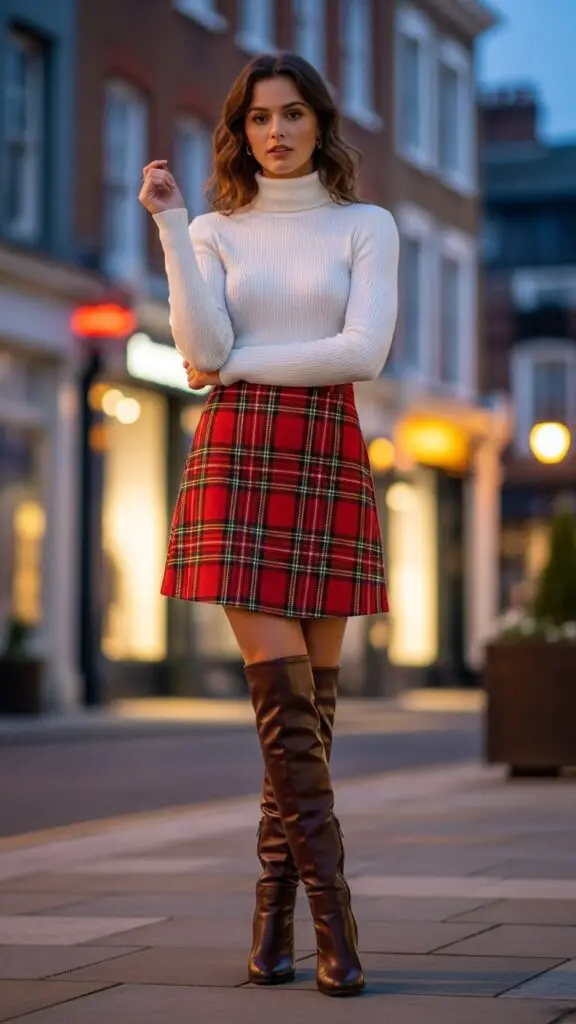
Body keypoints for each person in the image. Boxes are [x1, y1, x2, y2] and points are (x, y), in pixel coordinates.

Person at [139, 51, 399, 998]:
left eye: (291, 115)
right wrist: (171, 224)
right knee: (285, 717)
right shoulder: (211, 228)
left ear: (320, 123)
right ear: (239, 130)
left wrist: (247, 360)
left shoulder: (367, 225)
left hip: (327, 455)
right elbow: (203, 354)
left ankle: (272, 930)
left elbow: (363, 351)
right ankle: (339, 932)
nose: (275, 133)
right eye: (257, 119)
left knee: (308, 724)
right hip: (238, 458)